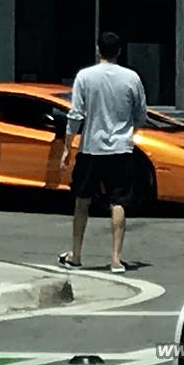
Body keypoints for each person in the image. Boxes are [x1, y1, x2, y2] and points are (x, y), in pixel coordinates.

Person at [58, 31, 147, 273]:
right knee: (118, 201)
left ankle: (75, 254)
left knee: (82, 200)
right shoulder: (132, 78)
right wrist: (129, 131)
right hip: (120, 149)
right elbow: (141, 114)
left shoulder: (85, 77)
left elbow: (76, 114)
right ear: (119, 51)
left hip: (91, 147)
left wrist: (68, 146)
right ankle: (116, 258)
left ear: (98, 50)